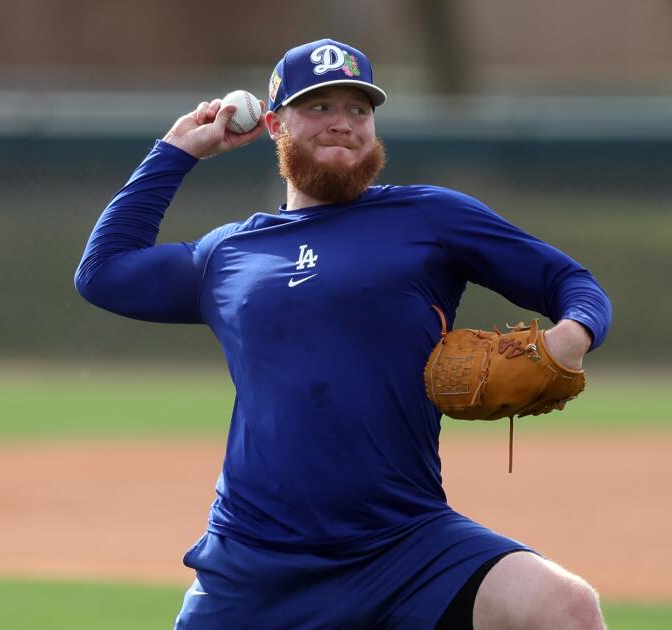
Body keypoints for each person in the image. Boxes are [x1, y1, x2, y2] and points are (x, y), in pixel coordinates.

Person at [76, 38, 612, 630]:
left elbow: (571, 282)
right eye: (320, 107)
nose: (343, 124)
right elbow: (104, 274)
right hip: (256, 561)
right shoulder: (227, 253)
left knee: (566, 608)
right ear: (275, 124)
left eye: (358, 109)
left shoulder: (428, 216)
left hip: (405, 545)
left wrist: (573, 335)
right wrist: (178, 150)